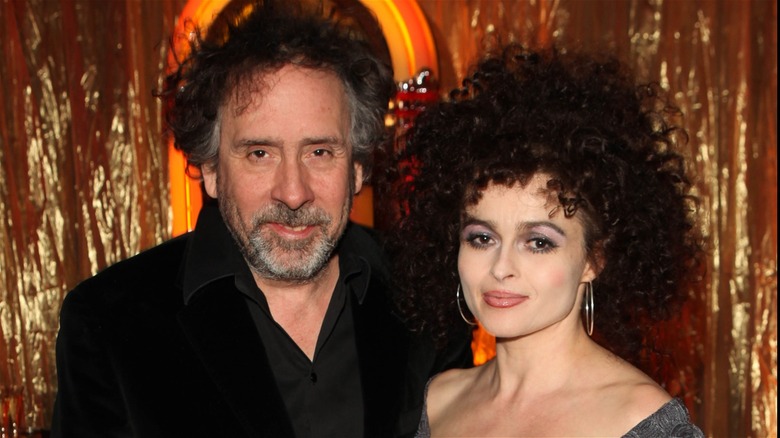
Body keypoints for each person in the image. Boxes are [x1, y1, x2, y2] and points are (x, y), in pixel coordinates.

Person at [50, 1, 471, 436]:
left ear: (359, 167)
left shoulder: (428, 299)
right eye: (260, 153)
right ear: (210, 169)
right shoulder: (110, 325)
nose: (293, 192)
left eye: (320, 152)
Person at [386, 44, 705, 437]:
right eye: (482, 237)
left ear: (594, 258)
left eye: (538, 242)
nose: (501, 268)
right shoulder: (439, 401)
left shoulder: (639, 420)